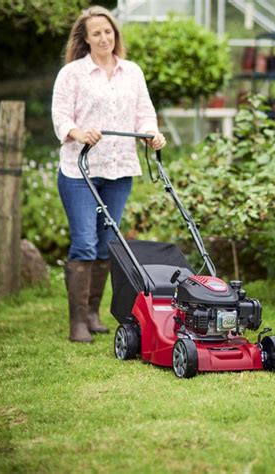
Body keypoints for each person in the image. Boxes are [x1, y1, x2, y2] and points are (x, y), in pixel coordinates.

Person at [52, 6, 166, 343]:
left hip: (119, 171)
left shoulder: (132, 72)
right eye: (96, 33)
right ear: (85, 39)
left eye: (108, 31)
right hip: (79, 171)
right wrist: (77, 132)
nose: (104, 37)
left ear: (115, 34)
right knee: (85, 243)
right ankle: (77, 322)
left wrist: (151, 133)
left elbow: (144, 114)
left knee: (106, 244)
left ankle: (92, 313)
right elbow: (60, 115)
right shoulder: (72, 73)